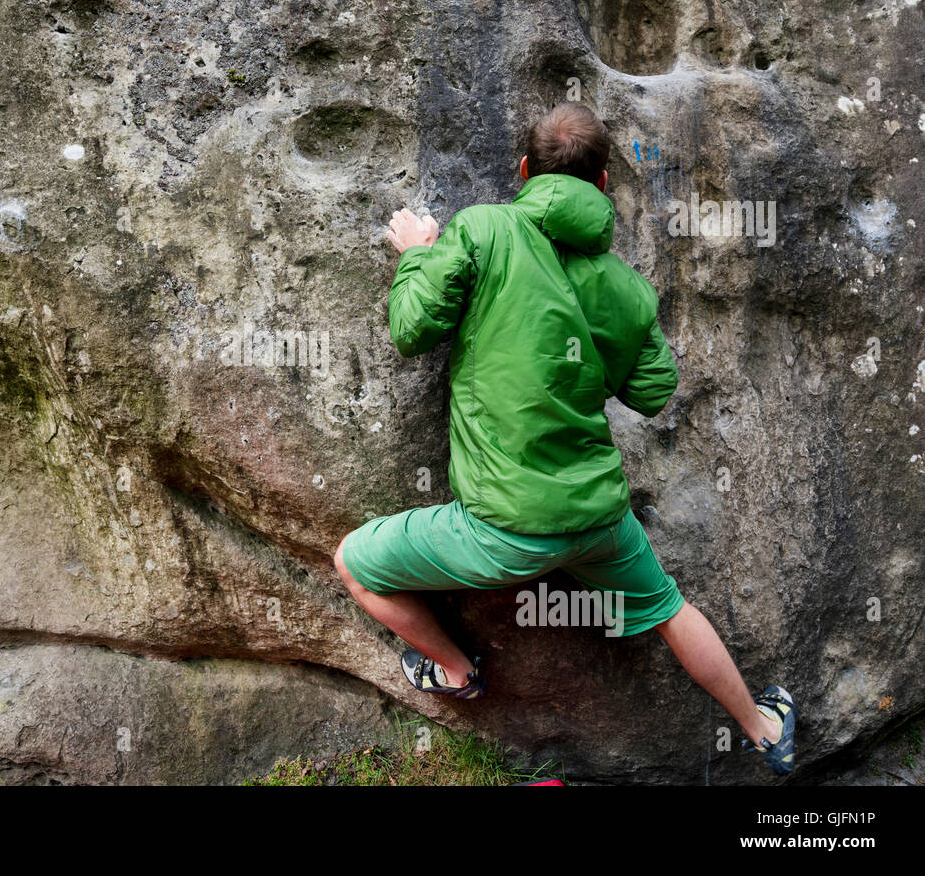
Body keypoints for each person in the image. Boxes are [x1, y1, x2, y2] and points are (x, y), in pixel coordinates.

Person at [332, 103, 795, 775]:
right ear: (603, 185)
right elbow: (652, 389)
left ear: (524, 170)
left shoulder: (485, 229)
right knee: (669, 607)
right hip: (598, 519)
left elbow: (410, 326)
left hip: (501, 529)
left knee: (353, 560)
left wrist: (420, 256)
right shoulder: (626, 287)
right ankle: (761, 725)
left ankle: (458, 671)